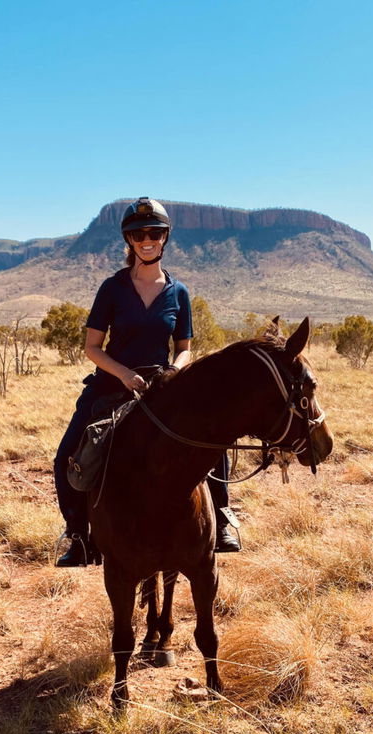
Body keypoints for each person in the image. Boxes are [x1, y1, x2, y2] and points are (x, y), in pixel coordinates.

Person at [52, 197, 240, 567]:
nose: (146, 239)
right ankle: (79, 537)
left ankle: (222, 521)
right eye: (138, 234)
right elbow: (92, 347)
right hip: (111, 385)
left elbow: (184, 348)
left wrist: (175, 371)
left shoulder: (179, 292)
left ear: (165, 237)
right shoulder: (112, 289)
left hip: (162, 386)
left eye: (154, 232)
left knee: (211, 443)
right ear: (129, 240)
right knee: (66, 458)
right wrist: (123, 373)